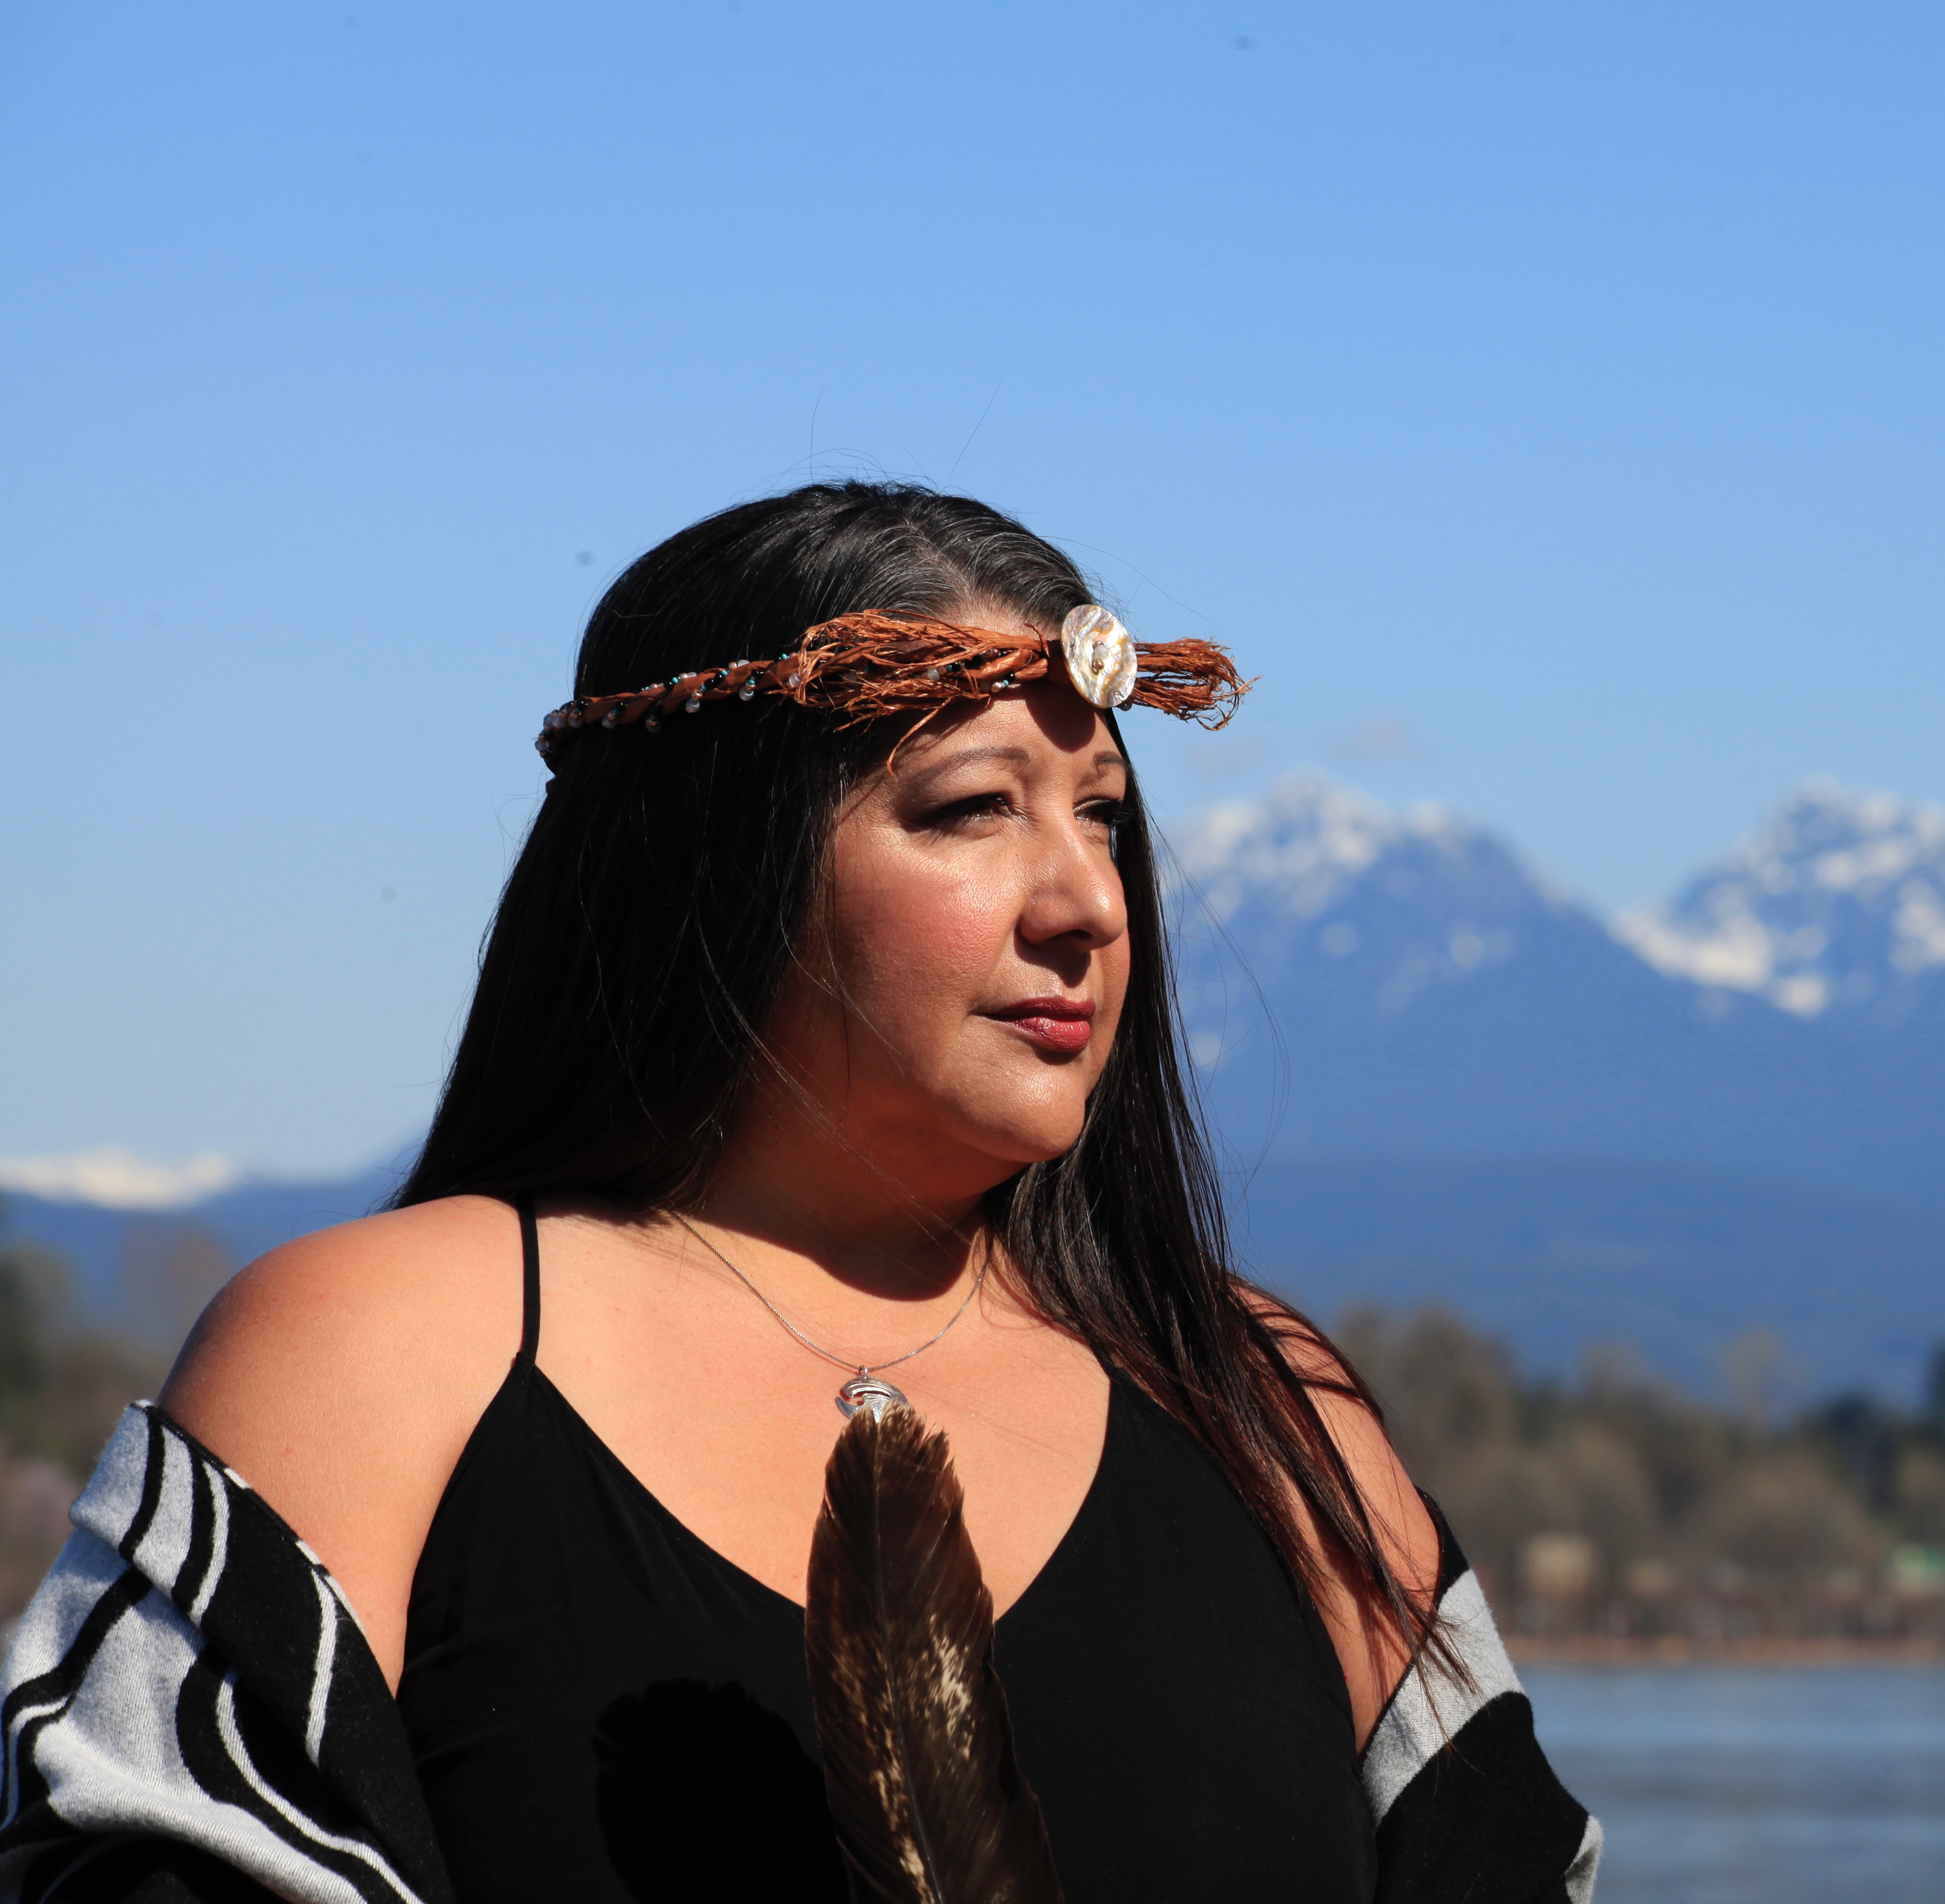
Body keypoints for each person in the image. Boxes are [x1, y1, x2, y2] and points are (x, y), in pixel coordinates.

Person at [0, 484, 1598, 1903]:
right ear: (721, 852)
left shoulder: (1266, 1406)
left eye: (1105, 817)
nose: (1086, 903)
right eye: (974, 809)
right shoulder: (384, 1349)